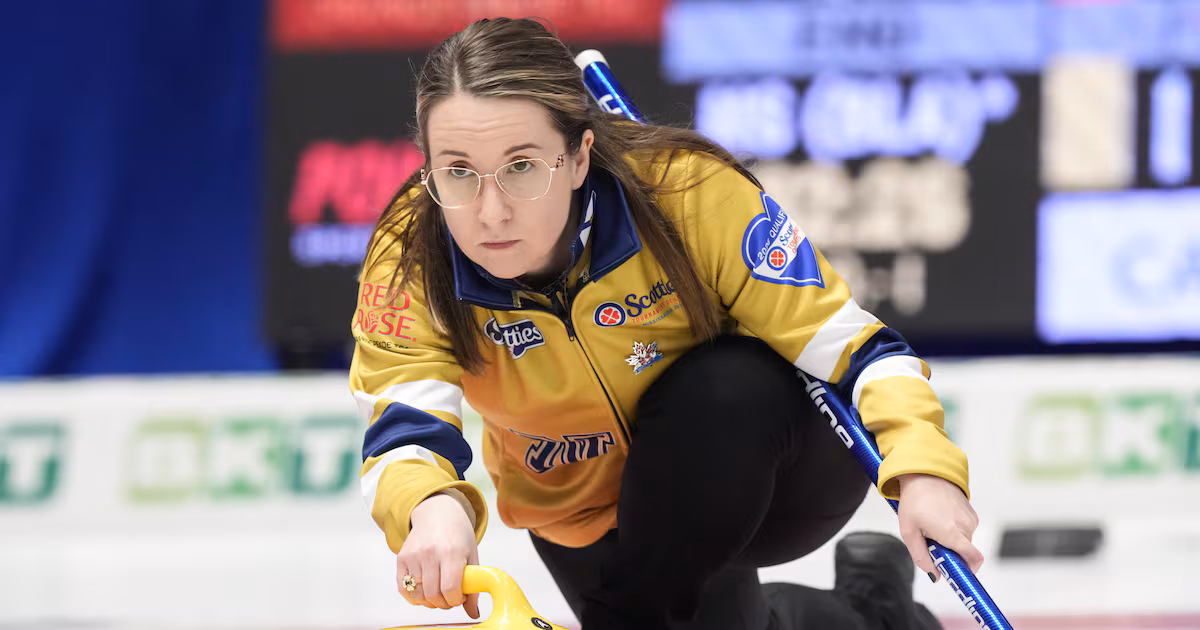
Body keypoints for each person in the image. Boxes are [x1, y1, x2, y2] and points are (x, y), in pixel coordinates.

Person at [349, 17, 983, 630]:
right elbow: (403, 420)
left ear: (577, 157)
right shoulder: (412, 253)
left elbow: (860, 350)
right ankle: (875, 612)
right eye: (458, 171)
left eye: (522, 166)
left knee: (725, 385)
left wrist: (925, 470)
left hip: (764, 462)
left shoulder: (685, 193)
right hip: (585, 504)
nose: (490, 212)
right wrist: (430, 505)